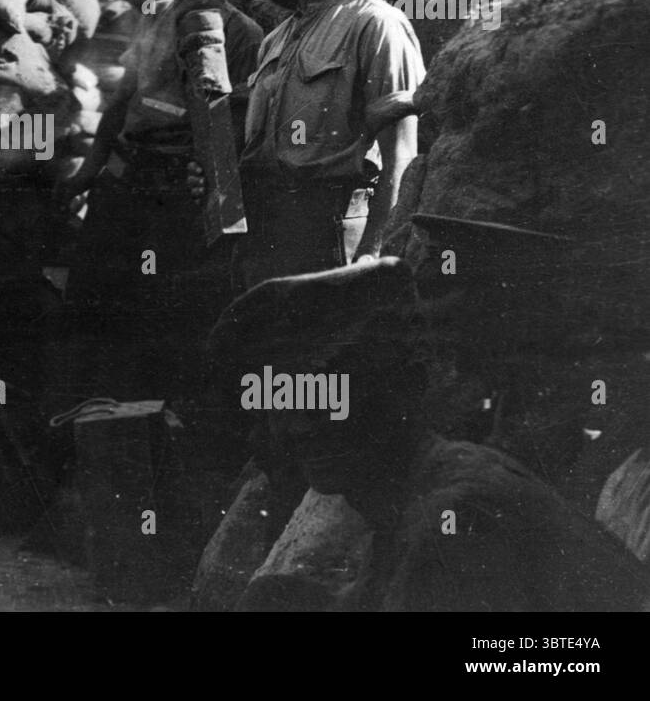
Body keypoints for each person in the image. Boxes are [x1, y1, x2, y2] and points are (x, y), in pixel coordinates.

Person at [222, 259, 650, 611]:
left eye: (332, 397)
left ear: (403, 390)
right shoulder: (416, 495)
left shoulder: (453, 520)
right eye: (286, 401)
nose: (299, 426)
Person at [56, 0, 261, 405]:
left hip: (176, 195)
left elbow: (233, 125)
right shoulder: (155, 14)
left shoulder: (242, 35)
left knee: (161, 309)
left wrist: (215, 193)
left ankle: (151, 421)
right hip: (124, 180)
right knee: (91, 298)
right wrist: (90, 166)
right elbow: (124, 96)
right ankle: (77, 412)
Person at [233, 0, 425, 290]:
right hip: (264, 236)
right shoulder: (276, 38)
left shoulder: (376, 25)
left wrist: (373, 254)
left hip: (331, 239)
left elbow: (402, 158)